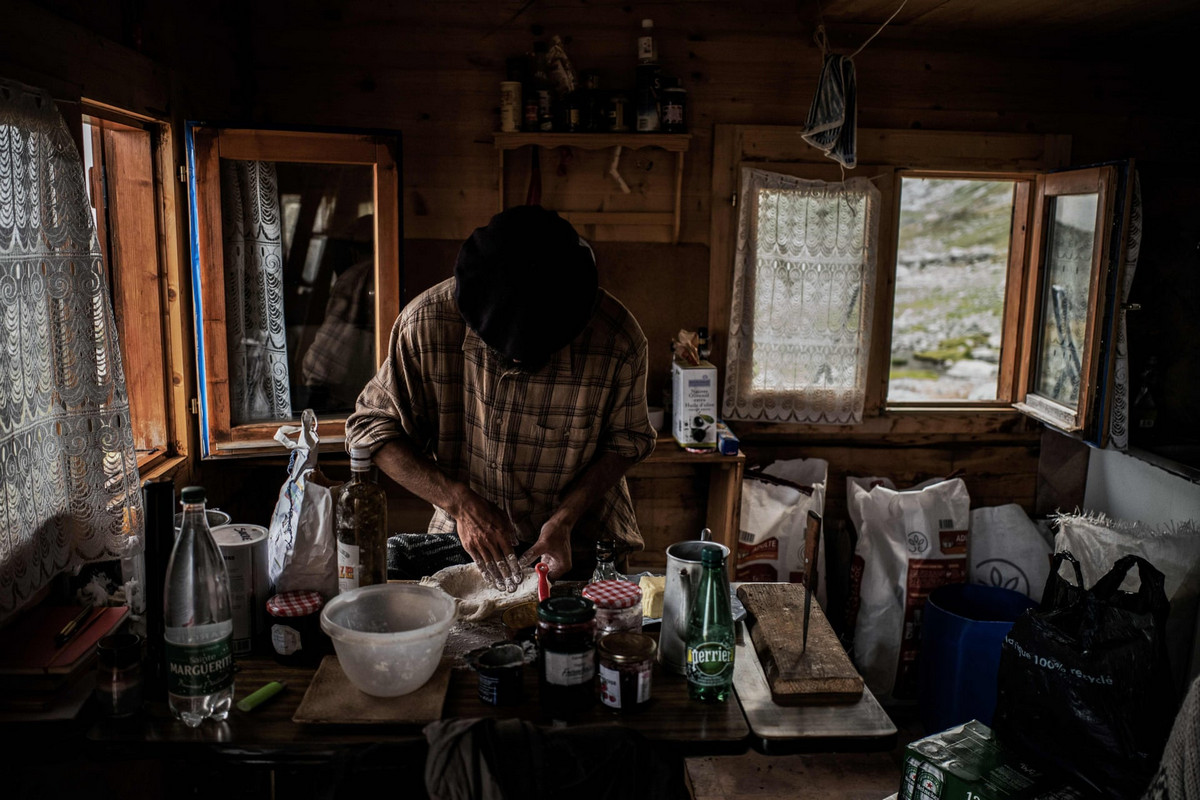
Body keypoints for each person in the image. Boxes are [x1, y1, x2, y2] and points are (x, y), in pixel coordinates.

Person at [345, 205, 656, 588]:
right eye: (506, 348)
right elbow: (369, 430)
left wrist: (564, 518)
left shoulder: (617, 338)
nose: (519, 358)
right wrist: (458, 503)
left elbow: (628, 441)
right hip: (468, 539)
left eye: (539, 350)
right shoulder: (426, 325)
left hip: (584, 542)